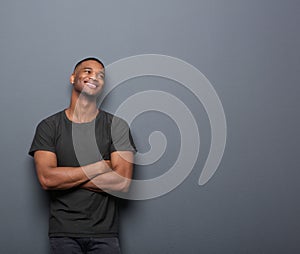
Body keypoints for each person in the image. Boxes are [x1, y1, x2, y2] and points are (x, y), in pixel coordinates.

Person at [29, 57, 136, 254]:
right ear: (73, 78)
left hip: (105, 234)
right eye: (87, 71)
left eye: (100, 75)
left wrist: (64, 178)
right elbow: (46, 179)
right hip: (63, 233)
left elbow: (122, 183)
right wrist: (100, 167)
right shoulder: (49, 127)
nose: (94, 76)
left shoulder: (116, 127)